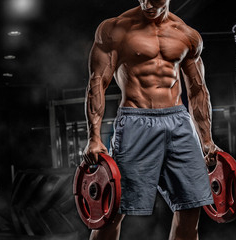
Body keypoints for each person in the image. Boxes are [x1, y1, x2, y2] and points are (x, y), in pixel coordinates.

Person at [83, 0, 222, 239]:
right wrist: (94, 137)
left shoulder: (187, 35)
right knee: (113, 209)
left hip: (179, 121)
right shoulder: (116, 29)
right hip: (136, 120)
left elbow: (198, 90)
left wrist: (207, 140)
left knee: (192, 206)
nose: (147, 3)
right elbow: (97, 82)